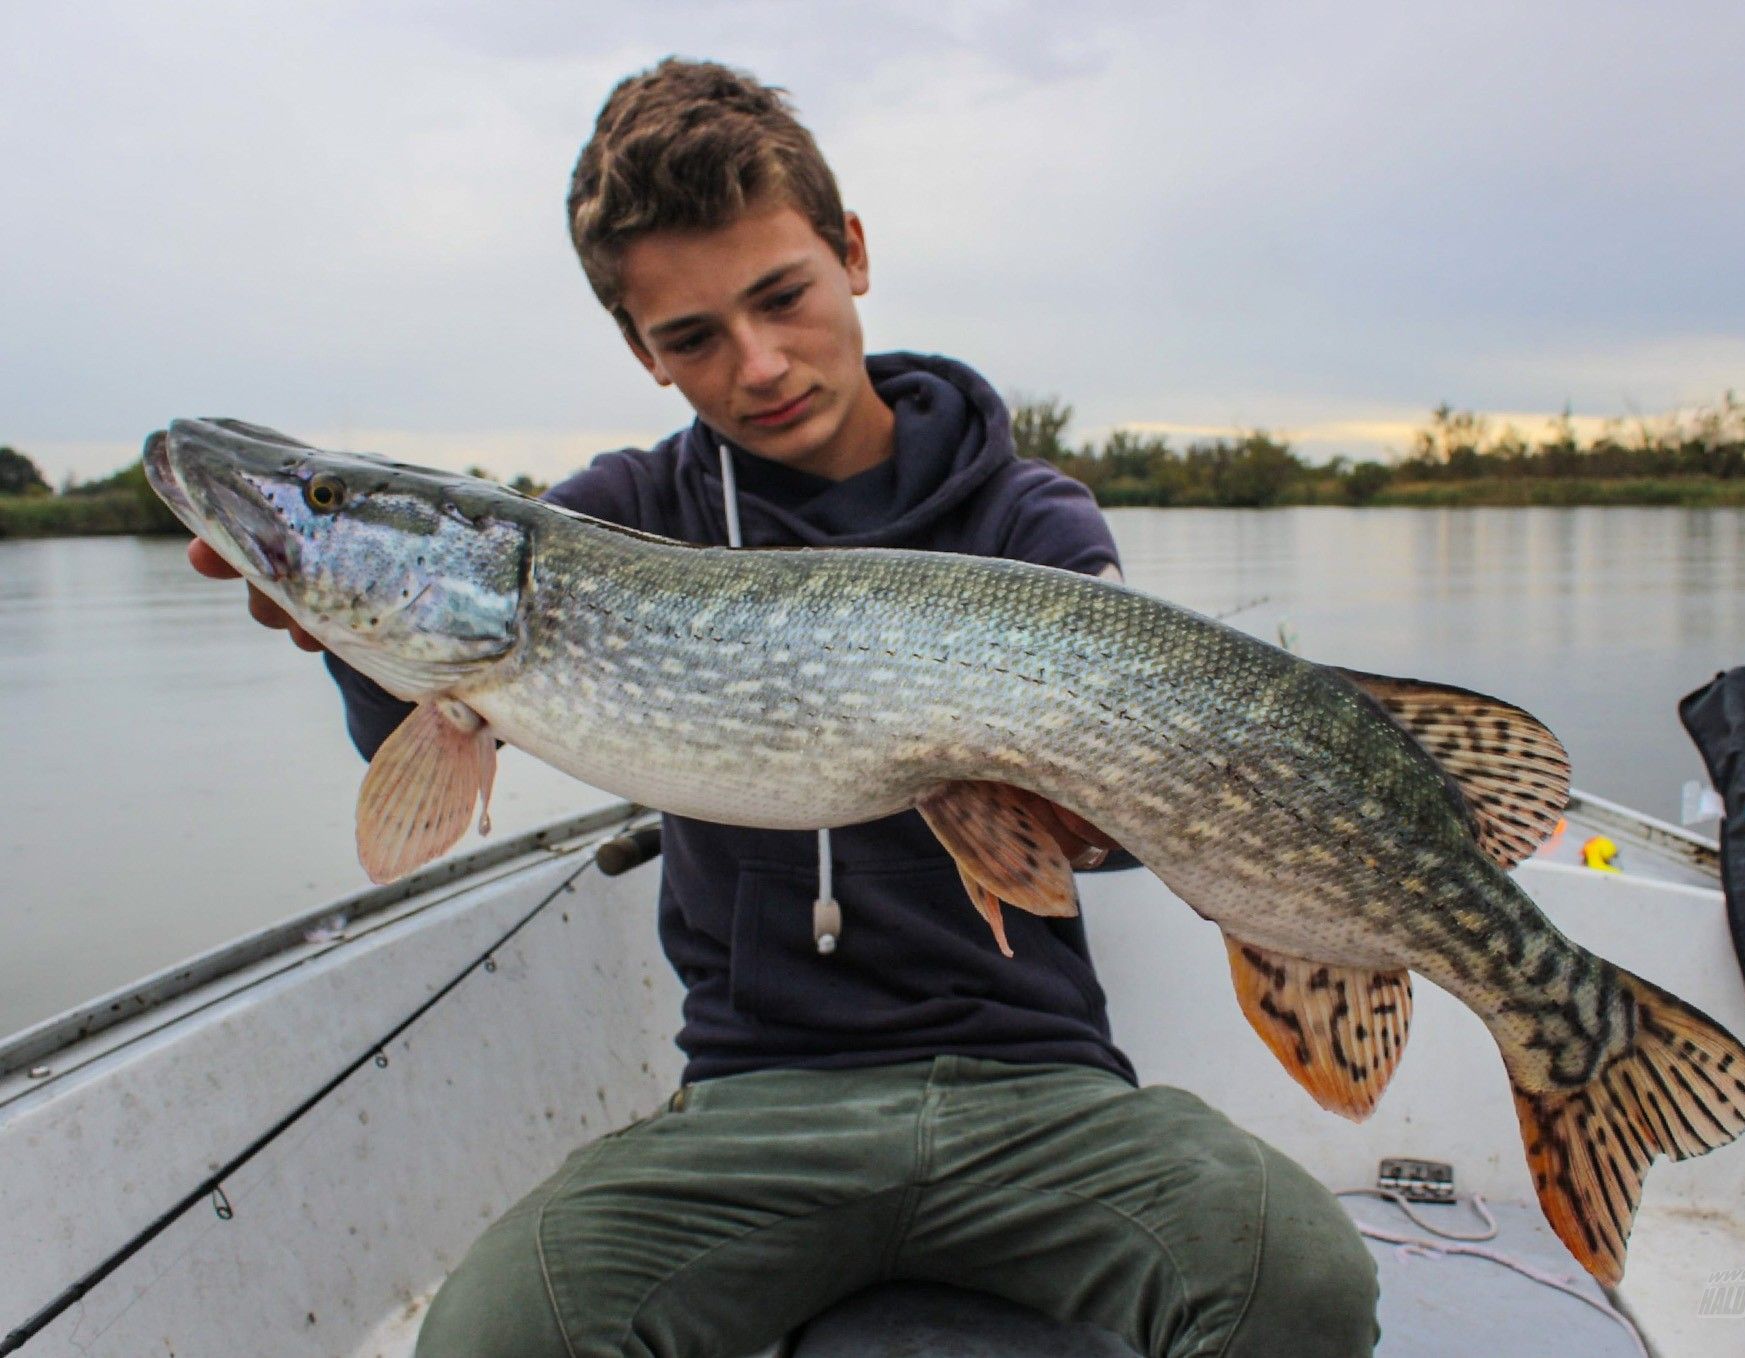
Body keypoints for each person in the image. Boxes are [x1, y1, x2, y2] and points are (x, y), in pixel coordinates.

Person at [189, 58, 1379, 1358]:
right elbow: (408, 757)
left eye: (781, 297)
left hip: (1041, 1090)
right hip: (755, 1110)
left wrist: (1084, 803)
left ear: (852, 253)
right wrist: (355, 644)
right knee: (491, 1338)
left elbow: (1091, 829)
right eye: (693, 336)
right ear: (642, 350)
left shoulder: (1027, 516)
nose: (758, 363)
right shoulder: (619, 520)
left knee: (1300, 1280)